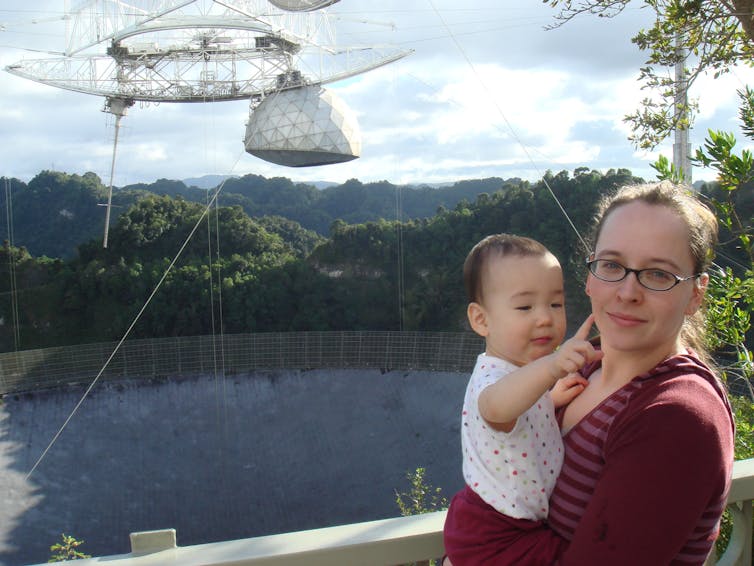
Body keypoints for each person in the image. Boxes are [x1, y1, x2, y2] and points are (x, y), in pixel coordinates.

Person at [445, 181, 736, 565]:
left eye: (659, 274)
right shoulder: (581, 369)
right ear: (589, 277)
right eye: (612, 265)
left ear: (696, 294)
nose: (628, 291)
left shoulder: (676, 414)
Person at [443, 234, 599, 565]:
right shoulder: (493, 379)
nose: (544, 317)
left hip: (514, 524)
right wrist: (553, 367)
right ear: (481, 320)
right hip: (497, 533)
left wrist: (549, 397)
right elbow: (496, 407)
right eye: (525, 306)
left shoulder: (523, 378)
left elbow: (519, 408)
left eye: (555, 304)